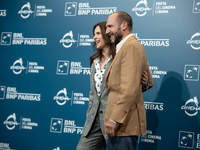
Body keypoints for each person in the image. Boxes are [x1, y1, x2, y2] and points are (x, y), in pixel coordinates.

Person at [76, 21, 153, 150]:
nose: (95, 37)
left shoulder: (122, 55)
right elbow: (93, 93)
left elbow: (135, 86)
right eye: (94, 34)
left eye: (98, 33)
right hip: (92, 122)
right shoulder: (93, 61)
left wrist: (144, 82)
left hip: (114, 120)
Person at [104, 11, 150, 150]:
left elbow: (129, 88)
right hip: (120, 125)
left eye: (110, 26)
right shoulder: (124, 47)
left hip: (124, 125)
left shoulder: (132, 46)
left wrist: (114, 119)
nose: (107, 31)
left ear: (124, 25)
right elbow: (143, 80)